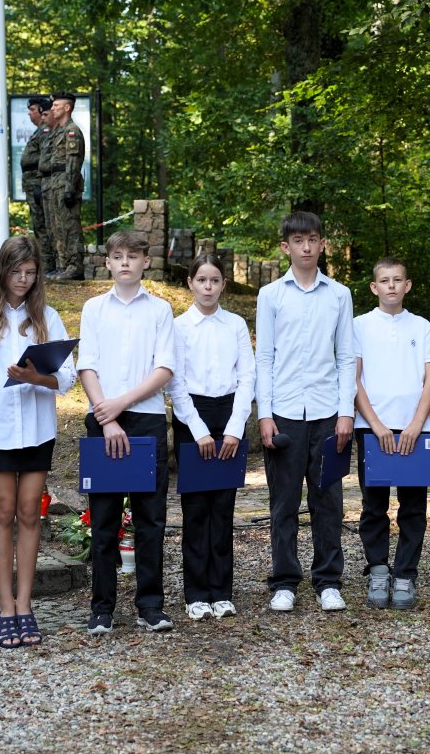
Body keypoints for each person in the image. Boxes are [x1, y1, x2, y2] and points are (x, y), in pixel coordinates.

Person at [0, 236, 76, 647]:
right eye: (16, 272)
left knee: (30, 513)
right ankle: (5, 605)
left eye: (30, 273)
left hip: (37, 429)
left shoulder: (48, 317)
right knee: (3, 513)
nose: (23, 280)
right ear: (2, 272)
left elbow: (68, 378)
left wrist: (36, 378)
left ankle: (25, 604)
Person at [255, 211, 355, 613]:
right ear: (286, 247)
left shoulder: (339, 295)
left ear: (322, 244)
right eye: (298, 241)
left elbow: (345, 356)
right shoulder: (270, 295)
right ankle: (284, 581)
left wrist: (346, 413)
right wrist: (264, 414)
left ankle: (328, 580)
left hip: (328, 410)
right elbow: (264, 357)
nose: (307, 247)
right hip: (284, 411)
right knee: (283, 502)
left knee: (328, 500)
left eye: (313, 239)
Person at [77, 229, 175, 634]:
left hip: (146, 419)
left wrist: (121, 404)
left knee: (151, 519)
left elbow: (164, 369)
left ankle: (150, 605)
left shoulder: (161, 310)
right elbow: (87, 365)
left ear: (145, 262)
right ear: (107, 263)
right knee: (104, 519)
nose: (125, 263)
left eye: (132, 257)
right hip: (103, 420)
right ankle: (102, 608)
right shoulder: (94, 308)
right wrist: (108, 416)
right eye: (117, 257)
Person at [167, 253, 255, 620]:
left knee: (223, 507)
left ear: (223, 284)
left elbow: (247, 377)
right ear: (190, 283)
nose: (208, 287)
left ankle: (221, 591)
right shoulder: (178, 327)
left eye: (215, 280)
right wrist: (198, 430)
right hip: (192, 418)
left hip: (229, 415)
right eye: (201, 280)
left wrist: (234, 428)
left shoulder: (235, 324)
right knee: (196, 509)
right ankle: (196, 593)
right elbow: (175, 382)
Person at [352, 256, 430, 610]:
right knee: (374, 505)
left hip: (414, 429)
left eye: (397, 279)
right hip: (372, 429)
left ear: (407, 285)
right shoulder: (359, 325)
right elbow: (354, 378)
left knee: (413, 506)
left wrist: (417, 424)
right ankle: (377, 569)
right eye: (384, 280)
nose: (391, 285)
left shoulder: (422, 327)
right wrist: (375, 424)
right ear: (374, 287)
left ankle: (405, 573)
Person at [40, 91, 85, 280]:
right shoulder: (58, 131)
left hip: (65, 184)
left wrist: (70, 189)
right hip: (54, 184)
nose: (52, 109)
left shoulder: (72, 131)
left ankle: (75, 266)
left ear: (67, 108)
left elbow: (73, 162)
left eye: (56, 106)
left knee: (70, 227)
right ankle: (63, 264)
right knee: (57, 228)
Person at [21, 96, 55, 273]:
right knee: (39, 225)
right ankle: (46, 265)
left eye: (32, 109)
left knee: (43, 225)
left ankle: (48, 265)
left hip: (38, 183)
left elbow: (45, 158)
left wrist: (39, 184)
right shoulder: (40, 131)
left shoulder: (45, 131)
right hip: (34, 183)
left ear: (42, 112)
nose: (29, 113)